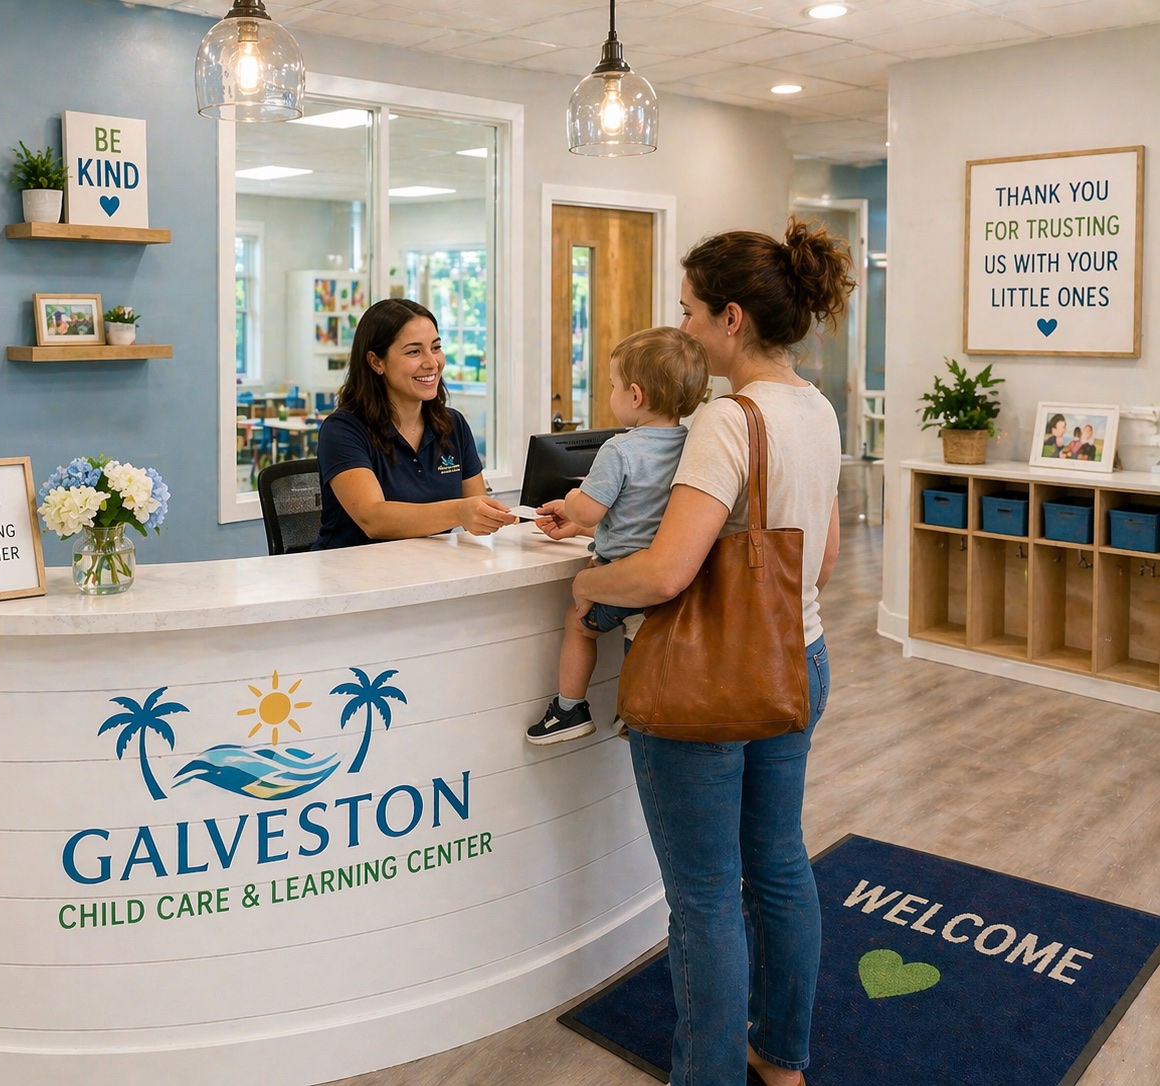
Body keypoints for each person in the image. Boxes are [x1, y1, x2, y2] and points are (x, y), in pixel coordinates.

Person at [571, 218, 853, 1086]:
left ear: (732, 319)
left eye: (690, 310)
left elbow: (664, 573)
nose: (684, 327)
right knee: (777, 867)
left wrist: (587, 586)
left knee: (703, 899)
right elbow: (828, 558)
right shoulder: (817, 409)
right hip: (796, 657)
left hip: (708, 685)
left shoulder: (728, 421)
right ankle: (783, 1060)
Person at [526, 327, 710, 745]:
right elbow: (640, 515)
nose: (608, 394)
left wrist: (573, 499)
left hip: (620, 577)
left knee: (578, 624)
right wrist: (581, 527)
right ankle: (631, 714)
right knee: (639, 637)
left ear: (635, 395)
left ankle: (569, 709)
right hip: (669, 579)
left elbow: (588, 507)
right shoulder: (692, 446)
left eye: (611, 386)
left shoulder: (620, 450)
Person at [312, 298, 515, 549]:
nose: (432, 362)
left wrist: (520, 518)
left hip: (429, 570)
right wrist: (460, 511)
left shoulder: (453, 425)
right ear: (377, 362)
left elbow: (477, 506)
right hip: (351, 577)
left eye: (436, 347)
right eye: (414, 351)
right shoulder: (342, 430)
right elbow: (373, 519)